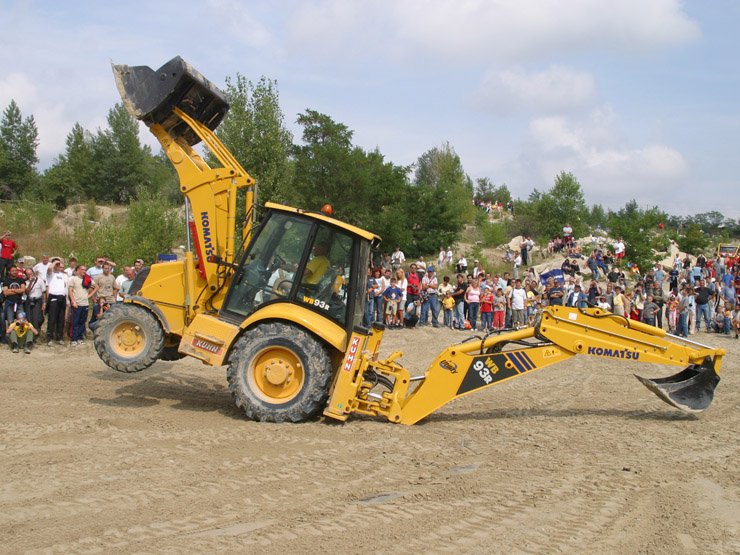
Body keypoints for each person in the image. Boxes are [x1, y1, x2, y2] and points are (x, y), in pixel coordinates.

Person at [68, 265, 98, 346]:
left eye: (85, 270)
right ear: (78, 270)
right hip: (77, 304)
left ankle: (80, 338)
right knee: (75, 322)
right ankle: (73, 339)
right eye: (82, 269)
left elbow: (96, 287)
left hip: (85, 304)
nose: (84, 271)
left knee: (82, 322)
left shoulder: (87, 279)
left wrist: (89, 295)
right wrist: (73, 301)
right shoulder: (74, 279)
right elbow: (70, 290)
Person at [45, 259, 69, 345]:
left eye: (62, 266)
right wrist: (55, 262)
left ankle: (59, 337)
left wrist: (67, 299)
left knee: (61, 319)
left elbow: (65, 288)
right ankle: (49, 338)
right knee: (52, 319)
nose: (60, 268)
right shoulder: (51, 274)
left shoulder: (65, 276)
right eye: (59, 266)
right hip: (53, 298)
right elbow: (49, 268)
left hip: (62, 298)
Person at [91, 262, 119, 326]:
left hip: (110, 300)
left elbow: (115, 288)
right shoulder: (98, 277)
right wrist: (93, 297)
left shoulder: (112, 277)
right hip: (100, 299)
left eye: (108, 268)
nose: (107, 270)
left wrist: (115, 298)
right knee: (99, 318)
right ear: (102, 268)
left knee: (111, 318)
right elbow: (92, 287)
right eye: (105, 268)